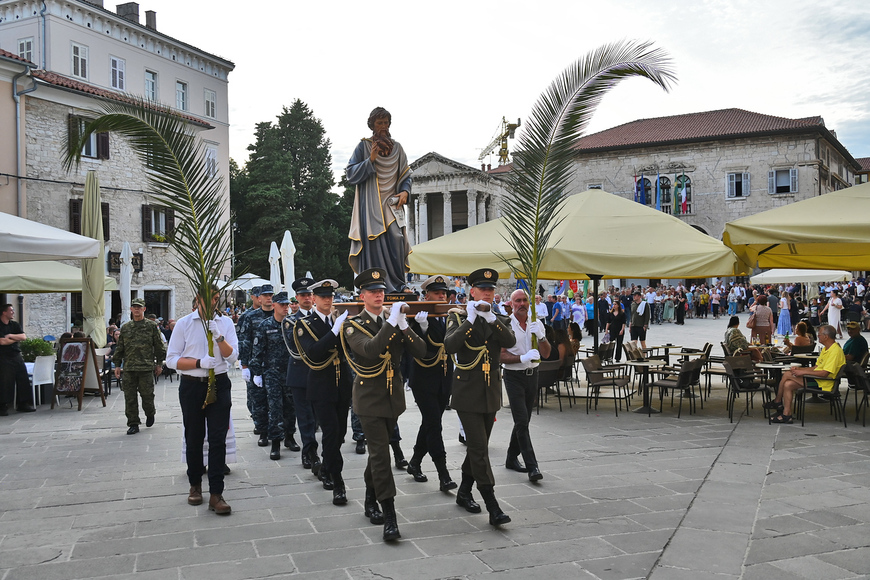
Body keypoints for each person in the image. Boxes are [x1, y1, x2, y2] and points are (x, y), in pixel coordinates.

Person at [342, 268, 425, 541]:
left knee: (377, 454)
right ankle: (389, 514)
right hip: (369, 399)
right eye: (373, 292)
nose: (379, 295)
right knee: (381, 455)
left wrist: (404, 326)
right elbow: (370, 350)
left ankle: (369, 498)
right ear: (362, 296)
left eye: (381, 291)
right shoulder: (353, 325)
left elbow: (421, 351)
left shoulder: (393, 320)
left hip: (393, 397)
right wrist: (393, 322)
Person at [445, 268, 516, 527]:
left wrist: (490, 318)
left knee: (479, 447)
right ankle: (492, 504)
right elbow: (450, 345)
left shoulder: (499, 317)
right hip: (467, 392)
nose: (487, 292)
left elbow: (509, 340)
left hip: (490, 391)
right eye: (482, 289)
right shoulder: (458, 315)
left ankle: (464, 491)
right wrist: (471, 321)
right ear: (471, 291)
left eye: (491, 289)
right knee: (478, 447)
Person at [166, 288, 239, 515]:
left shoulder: (225, 323)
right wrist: (199, 362)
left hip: (218, 383)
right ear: (197, 299)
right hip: (192, 385)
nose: (212, 304)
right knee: (194, 436)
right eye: (208, 299)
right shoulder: (184, 323)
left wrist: (218, 337)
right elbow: (171, 360)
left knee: (218, 438)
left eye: (216, 299)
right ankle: (195, 485)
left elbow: (233, 356)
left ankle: (216, 493)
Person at [295, 280, 353, 505]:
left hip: (342, 383)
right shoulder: (304, 324)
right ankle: (337, 481)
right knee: (330, 431)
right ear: (314, 299)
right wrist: (333, 331)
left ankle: (326, 466)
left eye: (330, 296)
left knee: (339, 434)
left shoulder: (341, 319)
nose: (328, 300)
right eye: (322, 296)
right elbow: (314, 352)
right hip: (321, 385)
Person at [346, 107, 413, 293]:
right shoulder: (364, 147)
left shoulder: (398, 148)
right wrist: (371, 159)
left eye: (385, 122)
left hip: (392, 203)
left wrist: (405, 192)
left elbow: (406, 175)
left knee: (397, 238)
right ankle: (374, 285)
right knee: (374, 242)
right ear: (372, 126)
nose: (383, 126)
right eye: (379, 123)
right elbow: (350, 174)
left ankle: (399, 285)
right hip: (371, 205)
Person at [405, 275, 457, 491]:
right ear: (427, 295)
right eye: (437, 293)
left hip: (444, 376)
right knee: (434, 424)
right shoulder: (418, 317)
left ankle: (415, 462)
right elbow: (418, 348)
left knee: (430, 422)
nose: (442, 296)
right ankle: (443, 473)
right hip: (424, 377)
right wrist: (423, 328)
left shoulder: (450, 316)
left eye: (444, 293)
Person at [500, 289, 550, 482]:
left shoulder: (536, 323)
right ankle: (532, 466)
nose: (522, 304)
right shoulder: (506, 325)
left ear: (530, 303)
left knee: (524, 421)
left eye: (524, 300)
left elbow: (546, 353)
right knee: (521, 421)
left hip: (532, 375)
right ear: (511, 304)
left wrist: (542, 337)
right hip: (513, 376)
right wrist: (522, 357)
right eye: (517, 301)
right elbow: (500, 354)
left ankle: (511, 458)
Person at [764, 325, 845, 424]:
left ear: (826, 336)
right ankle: (786, 414)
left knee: (787, 375)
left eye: (819, 334)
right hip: (817, 379)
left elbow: (824, 373)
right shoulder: (826, 349)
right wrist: (800, 369)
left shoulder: (835, 351)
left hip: (824, 383)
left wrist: (802, 372)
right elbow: (816, 367)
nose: (817, 336)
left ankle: (777, 401)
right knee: (788, 384)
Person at [249, 292, 293, 461]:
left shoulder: (292, 324)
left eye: (287, 305)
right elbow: (257, 351)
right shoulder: (265, 325)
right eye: (282, 304)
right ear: (274, 305)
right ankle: (275, 442)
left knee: (290, 407)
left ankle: (290, 436)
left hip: (290, 372)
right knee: (275, 408)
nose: (285, 307)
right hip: (272, 373)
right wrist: (257, 373)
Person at [113, 298, 165, 434]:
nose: (136, 309)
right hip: (129, 368)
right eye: (134, 307)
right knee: (129, 397)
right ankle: (133, 423)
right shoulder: (125, 328)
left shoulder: (151, 326)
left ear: (144, 309)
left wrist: (159, 364)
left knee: (147, 395)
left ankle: (150, 413)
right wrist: (117, 365)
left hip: (146, 367)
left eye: (139, 307)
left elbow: (159, 346)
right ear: (131, 309)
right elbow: (120, 347)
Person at [284, 278, 320, 471]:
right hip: (300, 374)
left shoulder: (322, 316)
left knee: (317, 417)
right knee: (305, 417)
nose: (307, 298)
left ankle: (314, 449)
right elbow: (294, 344)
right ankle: (309, 452)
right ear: (297, 298)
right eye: (303, 295)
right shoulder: (290, 321)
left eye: (309, 295)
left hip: (319, 373)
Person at [0, 304, 35, 415]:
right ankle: (3, 406)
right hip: (3, 356)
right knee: (6, 381)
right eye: (11, 310)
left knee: (22, 378)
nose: (13, 312)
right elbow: (2, 342)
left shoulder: (14, 325)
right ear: (4, 312)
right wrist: (16, 338)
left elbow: (23, 337)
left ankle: (23, 403)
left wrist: (10, 336)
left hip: (16, 355)